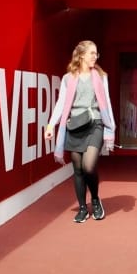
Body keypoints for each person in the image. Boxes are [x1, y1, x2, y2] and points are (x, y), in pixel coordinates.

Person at [44, 40, 116, 223]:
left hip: (96, 123)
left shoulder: (101, 76)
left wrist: (110, 127)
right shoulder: (68, 78)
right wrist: (51, 125)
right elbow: (61, 104)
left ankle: (95, 200)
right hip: (75, 125)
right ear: (82, 55)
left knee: (88, 165)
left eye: (96, 54)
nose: (95, 57)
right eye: (92, 53)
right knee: (77, 169)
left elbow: (106, 102)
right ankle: (83, 208)